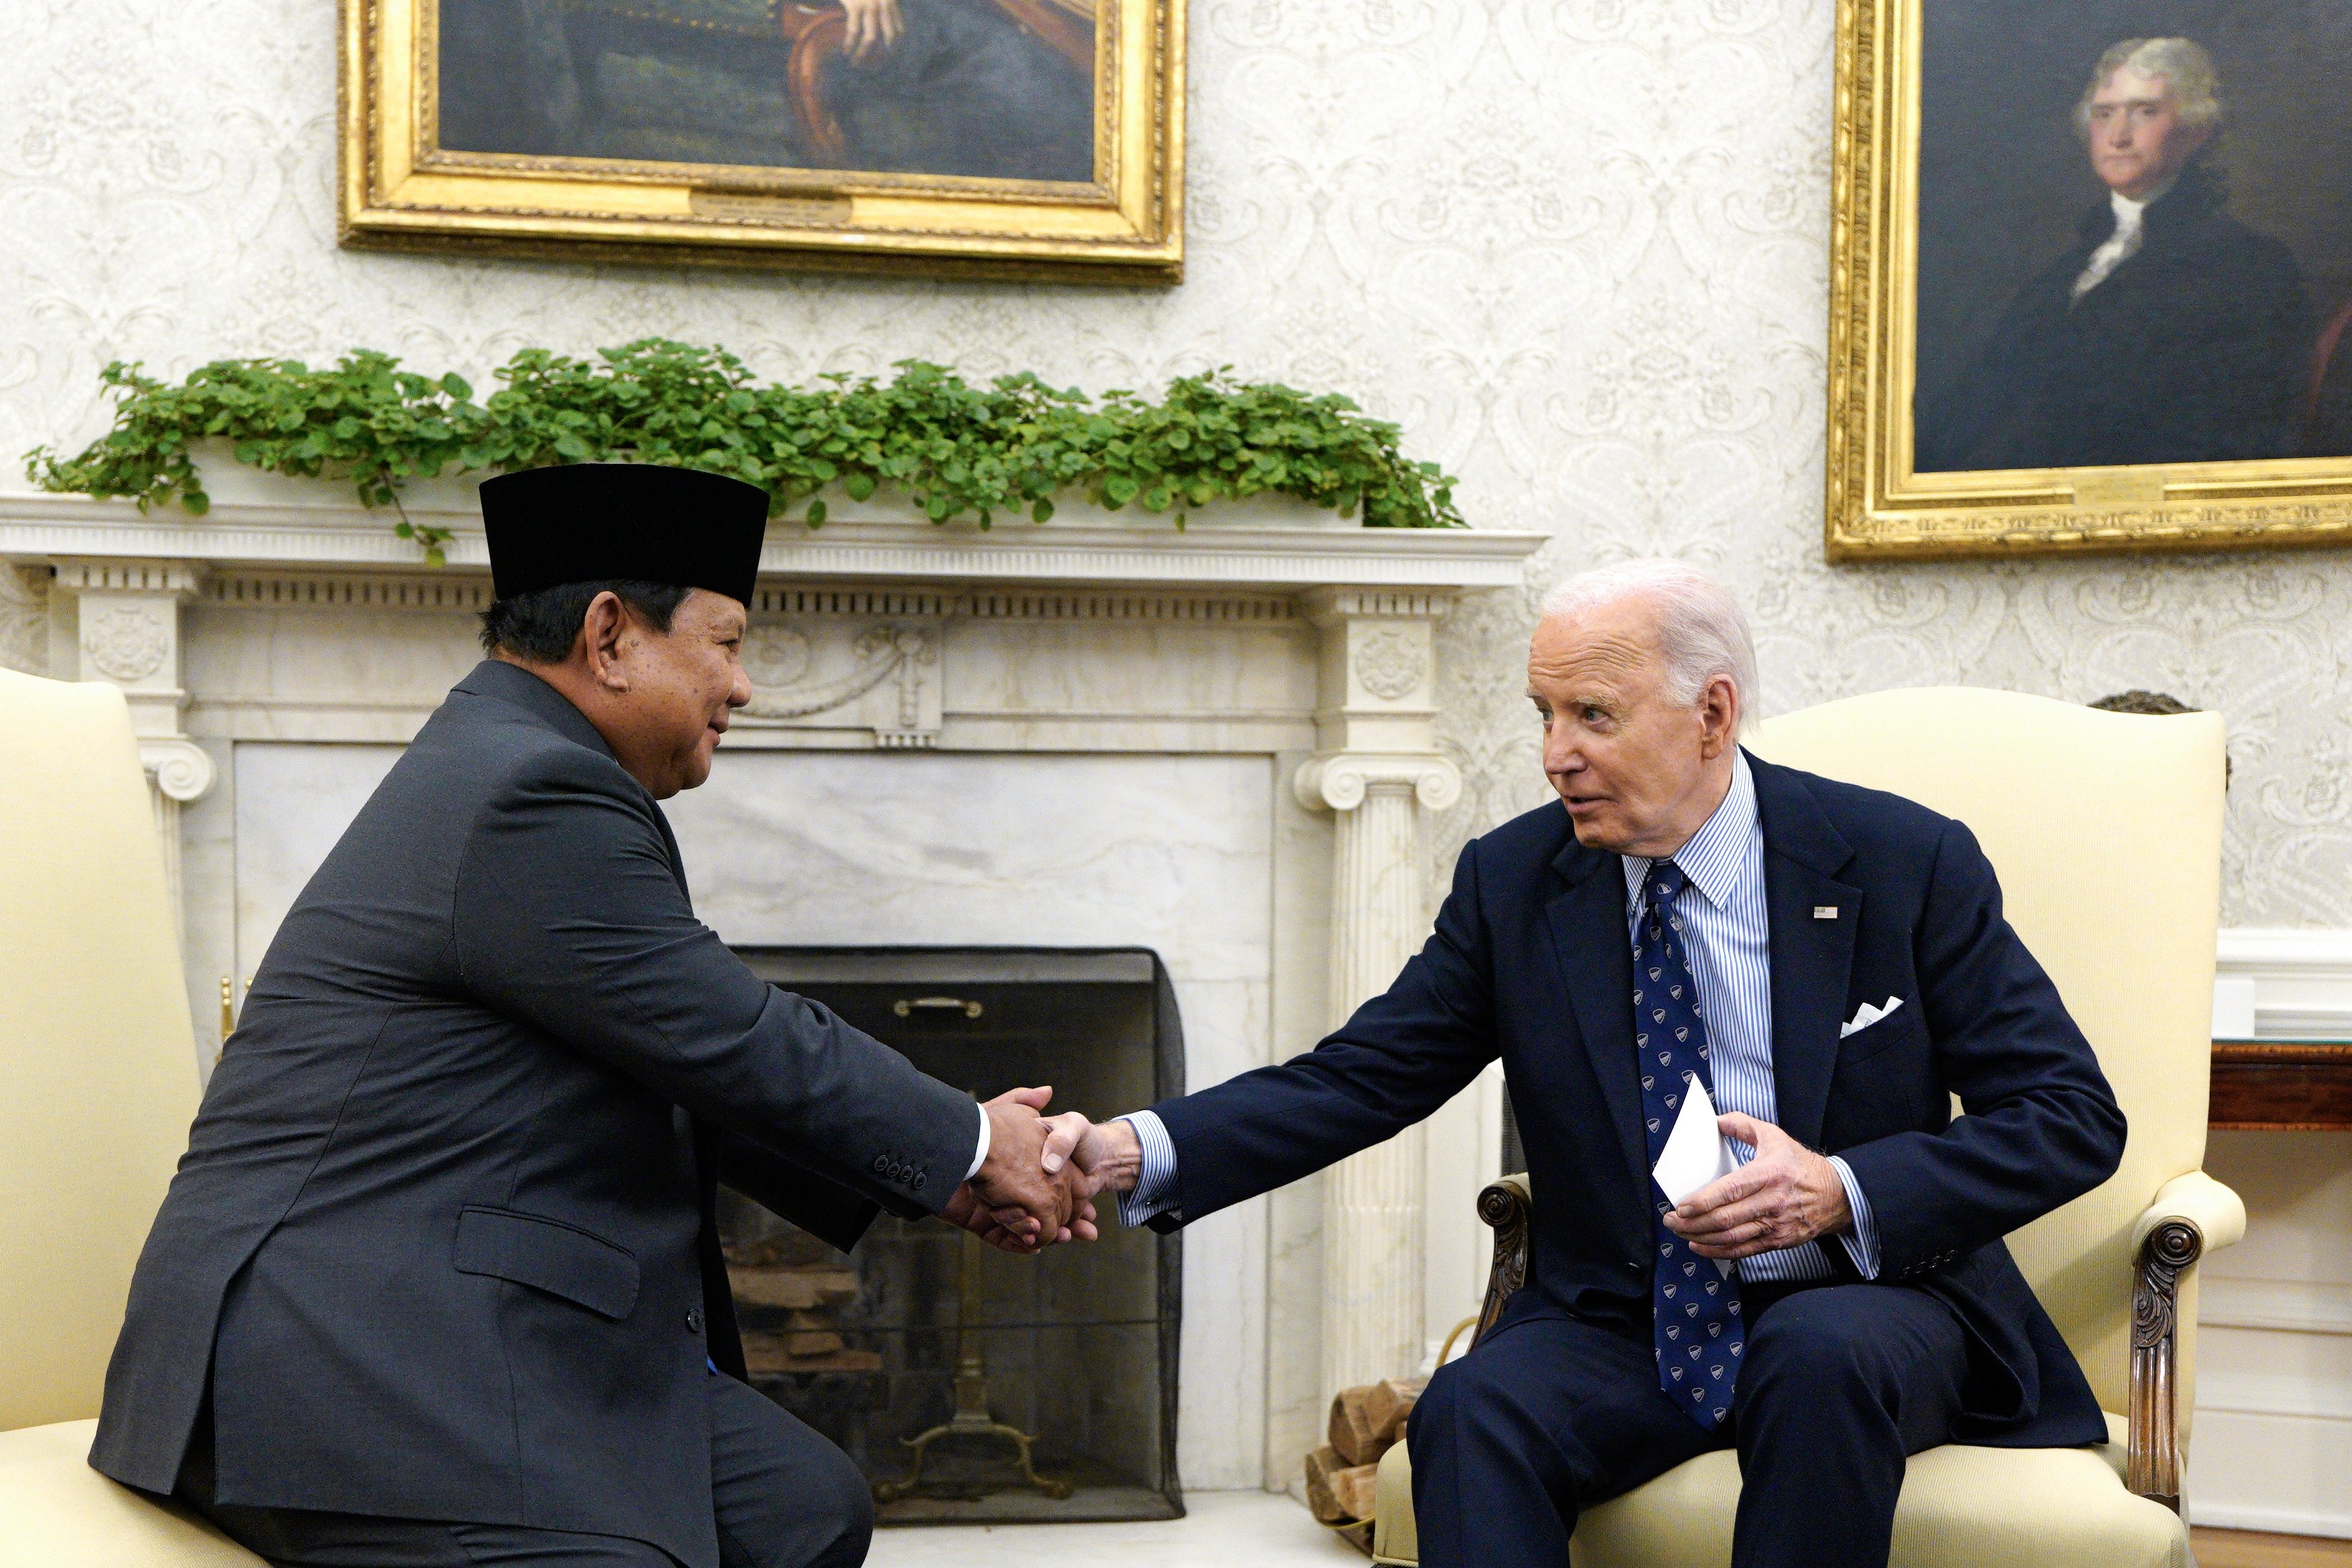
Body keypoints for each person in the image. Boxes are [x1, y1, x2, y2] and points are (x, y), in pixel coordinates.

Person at [88, 462, 1095, 1568]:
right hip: (337, 1363)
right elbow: (732, 1037)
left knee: (804, 1508)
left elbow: (677, 1057)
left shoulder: (513, 762)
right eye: (726, 643)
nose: (744, 686)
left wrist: (950, 1175)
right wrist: (970, 1139)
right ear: (611, 637)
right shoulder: (531, 792)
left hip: (445, 1322)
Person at [1046, 559, 2128, 1568]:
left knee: (1815, 1354)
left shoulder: (1898, 860)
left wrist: (1839, 1191)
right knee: (1470, 1413)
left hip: (1865, 1302)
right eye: (1544, 715)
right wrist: (1126, 1148)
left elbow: (2067, 1113)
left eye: (1592, 716)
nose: (1554, 752)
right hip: (1623, 1315)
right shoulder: (1513, 880)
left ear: (1709, 715)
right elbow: (1359, 1076)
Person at [1916, 37, 2311, 471]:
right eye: (2103, 114)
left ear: (2196, 131)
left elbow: (2233, 435)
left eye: (2144, 111)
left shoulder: (2248, 267)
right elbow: (1975, 406)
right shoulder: (2063, 275)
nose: (2118, 136)